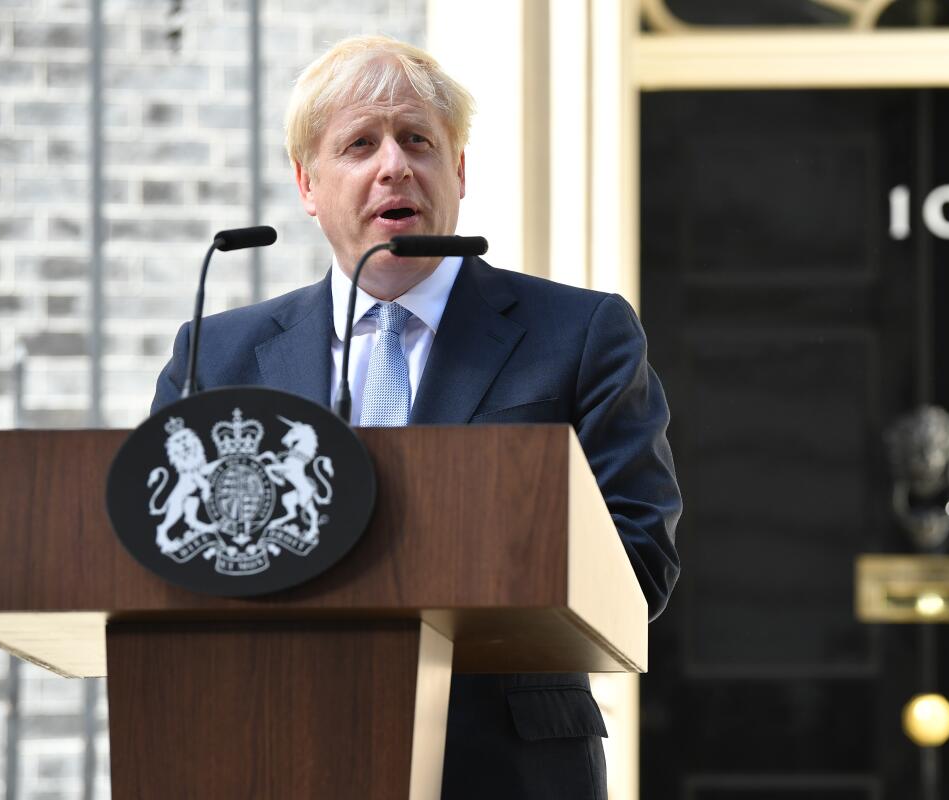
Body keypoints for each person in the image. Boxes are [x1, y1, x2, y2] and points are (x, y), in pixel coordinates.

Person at [151, 35, 681, 799]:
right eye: (359, 144)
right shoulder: (220, 356)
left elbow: (640, 559)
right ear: (307, 183)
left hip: (508, 769)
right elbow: (163, 558)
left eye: (418, 141)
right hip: (274, 750)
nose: (392, 165)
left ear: (458, 171)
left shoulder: (581, 334)